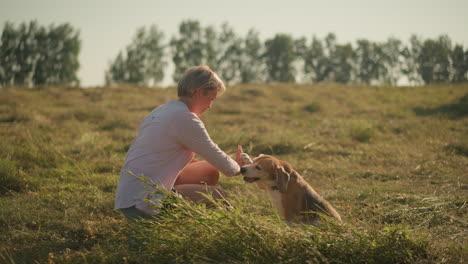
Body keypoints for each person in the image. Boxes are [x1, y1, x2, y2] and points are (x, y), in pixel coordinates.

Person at [114, 65, 244, 220]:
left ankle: (181, 221)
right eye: (210, 99)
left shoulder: (160, 111)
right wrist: (242, 168)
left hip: (128, 196)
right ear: (199, 92)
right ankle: (213, 236)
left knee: (209, 171)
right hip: (146, 200)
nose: (210, 106)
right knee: (218, 195)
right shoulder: (185, 118)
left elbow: (164, 156)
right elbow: (228, 168)